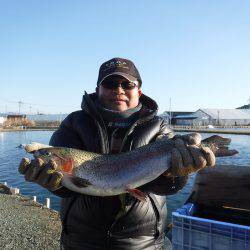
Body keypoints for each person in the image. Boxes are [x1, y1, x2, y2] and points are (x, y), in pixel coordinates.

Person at [19, 58, 215, 250]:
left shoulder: (160, 127)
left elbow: (166, 186)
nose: (119, 89)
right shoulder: (73, 123)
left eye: (127, 84)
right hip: (80, 239)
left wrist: (178, 174)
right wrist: (54, 183)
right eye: (110, 83)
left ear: (139, 91)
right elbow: (69, 189)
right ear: (98, 90)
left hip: (143, 241)